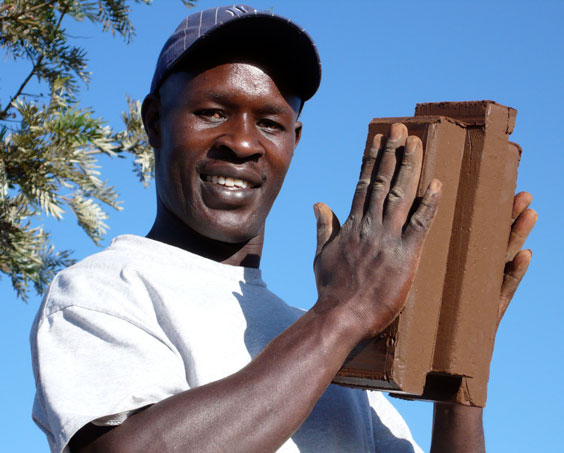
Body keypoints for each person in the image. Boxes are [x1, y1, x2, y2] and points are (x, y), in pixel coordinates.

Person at [30, 5, 537, 453]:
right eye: (212, 112)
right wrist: (347, 310)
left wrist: (460, 368)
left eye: (270, 123)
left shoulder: (326, 346)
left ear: (295, 140)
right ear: (156, 121)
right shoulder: (104, 290)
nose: (243, 143)